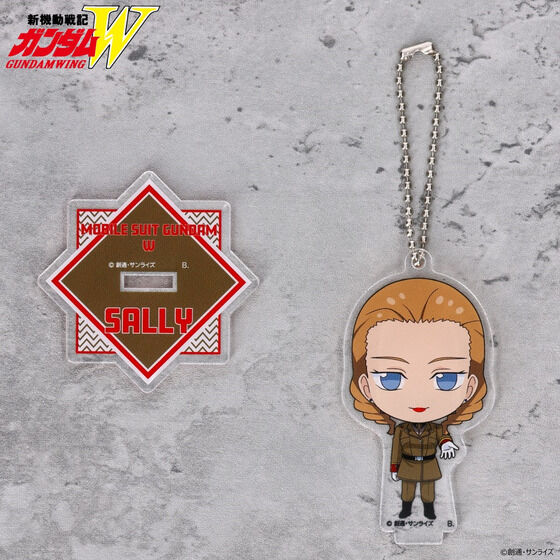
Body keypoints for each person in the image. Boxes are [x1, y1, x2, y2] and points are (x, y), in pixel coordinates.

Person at [349, 278, 486, 519]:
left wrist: (446, 443)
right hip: (408, 465)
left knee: (430, 492)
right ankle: (405, 510)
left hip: (430, 464)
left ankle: (430, 511)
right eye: (390, 378)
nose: (418, 395)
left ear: (470, 387)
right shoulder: (401, 431)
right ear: (366, 386)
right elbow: (395, 450)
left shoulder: (437, 428)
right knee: (407, 491)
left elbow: (443, 435)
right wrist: (394, 467)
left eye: (446, 379)